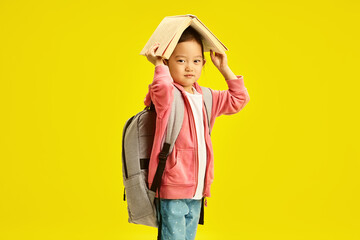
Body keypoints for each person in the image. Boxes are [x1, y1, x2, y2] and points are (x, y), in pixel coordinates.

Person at [144, 26, 250, 240]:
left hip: (198, 188)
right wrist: (157, 65)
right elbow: (161, 88)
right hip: (172, 186)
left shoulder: (207, 97)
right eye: (181, 60)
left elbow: (239, 100)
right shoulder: (167, 96)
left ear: (203, 63)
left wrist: (224, 69)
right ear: (167, 61)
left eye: (196, 61)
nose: (189, 67)